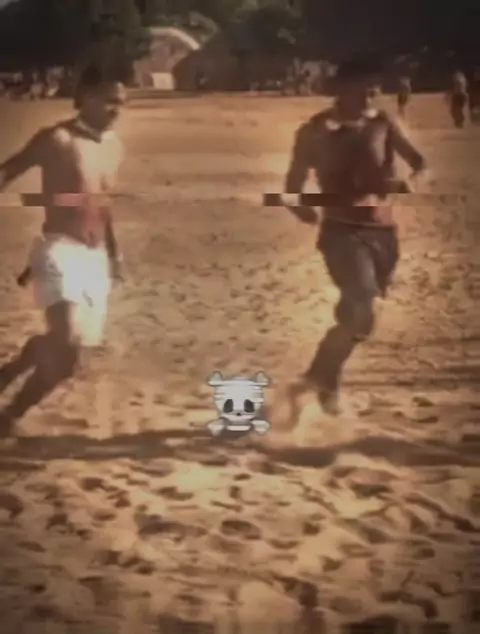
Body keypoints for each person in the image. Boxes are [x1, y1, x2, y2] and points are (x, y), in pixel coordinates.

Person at [282, 58, 427, 415]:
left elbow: (421, 164)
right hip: (341, 231)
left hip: (383, 232)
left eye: (373, 89)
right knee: (361, 297)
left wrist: (412, 181)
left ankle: (318, 377)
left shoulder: (383, 123)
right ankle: (324, 383)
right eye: (363, 88)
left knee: (362, 319)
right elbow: (290, 189)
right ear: (340, 90)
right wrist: (300, 208)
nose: (370, 95)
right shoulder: (315, 131)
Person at [0, 63, 126, 435]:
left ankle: (7, 412)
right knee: (66, 342)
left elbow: (101, 202)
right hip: (59, 249)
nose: (115, 110)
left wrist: (114, 252)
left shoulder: (114, 146)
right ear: (84, 97)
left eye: (121, 102)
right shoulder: (56, 139)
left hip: (95, 258)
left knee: (67, 360)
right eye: (108, 100)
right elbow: (8, 170)